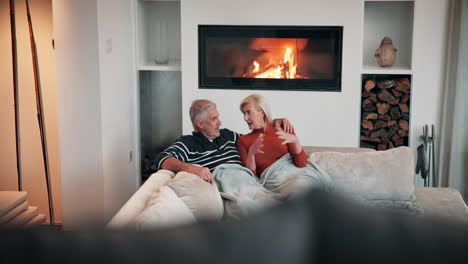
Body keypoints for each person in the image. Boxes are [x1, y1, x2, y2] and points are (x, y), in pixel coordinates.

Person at [153, 99, 293, 184]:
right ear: (200, 124)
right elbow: (162, 159)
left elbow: (254, 140)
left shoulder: (228, 135)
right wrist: (193, 169)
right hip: (228, 186)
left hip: (250, 183)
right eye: (214, 119)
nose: (219, 122)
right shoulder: (188, 144)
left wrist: (274, 123)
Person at [236, 94, 332, 198]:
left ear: (261, 112)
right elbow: (251, 175)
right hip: (274, 181)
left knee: (303, 186)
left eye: (249, 112)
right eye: (243, 113)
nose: (245, 118)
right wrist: (251, 153)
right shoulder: (243, 140)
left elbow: (301, 163)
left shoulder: (281, 127)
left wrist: (295, 141)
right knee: (298, 191)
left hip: (297, 175)